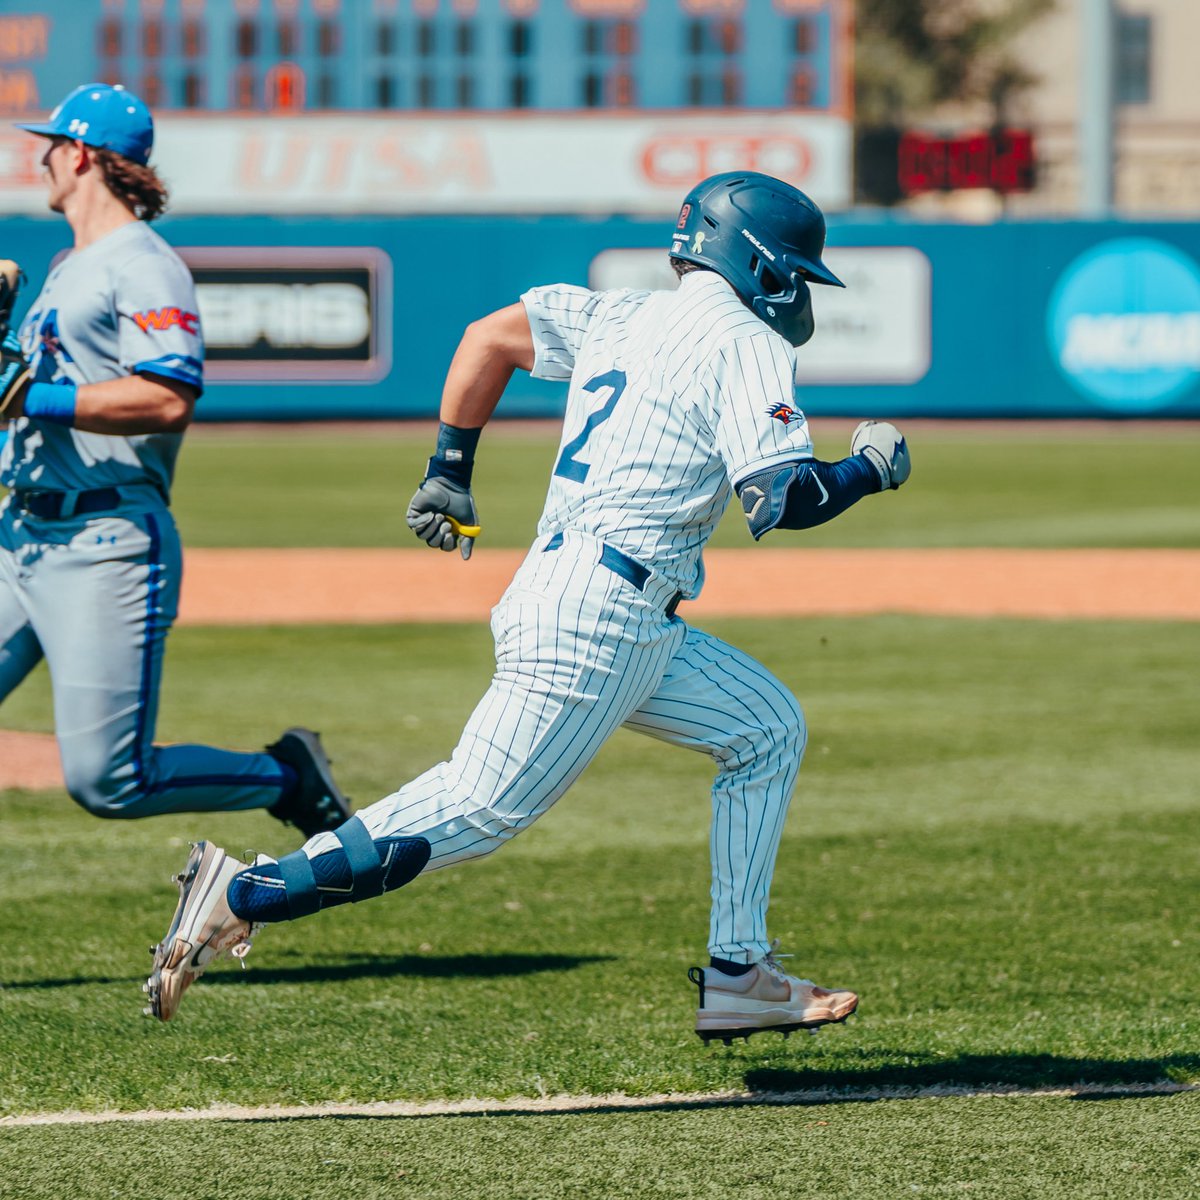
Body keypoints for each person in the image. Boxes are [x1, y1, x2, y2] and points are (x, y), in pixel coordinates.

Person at [143, 170, 911, 1041]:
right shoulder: (743, 339)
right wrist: (871, 467)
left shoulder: (621, 313)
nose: (800, 289)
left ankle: (740, 972)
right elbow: (784, 500)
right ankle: (247, 892)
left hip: (605, 601)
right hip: (600, 617)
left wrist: (449, 469)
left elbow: (489, 337)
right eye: (798, 271)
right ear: (762, 261)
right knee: (475, 807)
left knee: (765, 729)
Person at [0, 83, 350, 837]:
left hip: (104, 546)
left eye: (53, 144)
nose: (43, 157)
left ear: (83, 154)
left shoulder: (142, 264)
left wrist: (32, 399)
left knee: (108, 780)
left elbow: (166, 399)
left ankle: (286, 777)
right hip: (19, 537)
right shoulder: (69, 266)